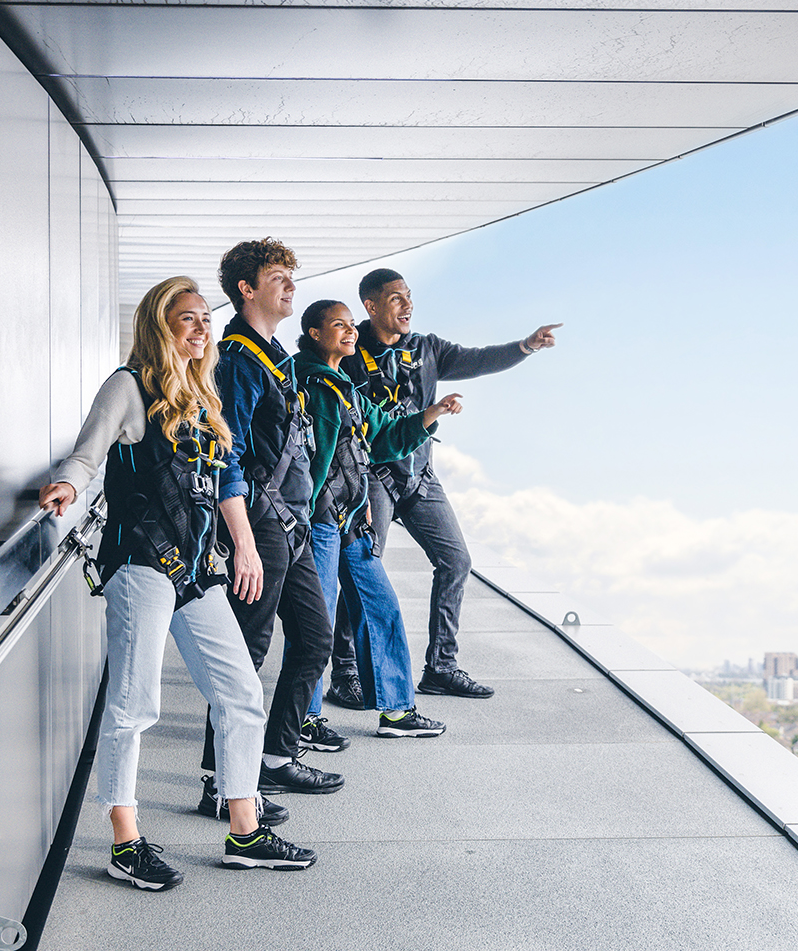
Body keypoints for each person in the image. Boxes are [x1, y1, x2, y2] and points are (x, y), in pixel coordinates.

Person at [39, 276, 314, 892]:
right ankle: (124, 840)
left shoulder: (200, 393)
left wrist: (243, 544)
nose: (200, 328)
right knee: (136, 705)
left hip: (195, 569)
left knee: (241, 692)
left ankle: (244, 830)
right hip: (139, 565)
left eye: (203, 319)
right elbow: (88, 454)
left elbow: (223, 481)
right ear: (159, 326)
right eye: (186, 319)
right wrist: (66, 485)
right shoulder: (128, 385)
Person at [329, 268, 559, 706]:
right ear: (372, 306)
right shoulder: (350, 347)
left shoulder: (428, 348)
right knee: (364, 571)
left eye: (409, 297)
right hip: (372, 476)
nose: (407, 305)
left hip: (420, 476)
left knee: (456, 561)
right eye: (396, 298)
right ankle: (345, 671)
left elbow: (479, 359)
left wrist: (526, 346)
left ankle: (441, 667)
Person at [194, 238, 346, 813]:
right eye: (278, 276)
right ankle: (221, 783)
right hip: (259, 528)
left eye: (291, 276)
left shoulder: (274, 356)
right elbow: (224, 452)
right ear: (246, 289)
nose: (290, 285)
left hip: (293, 524)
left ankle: (276, 757)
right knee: (247, 653)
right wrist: (242, 543)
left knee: (314, 638)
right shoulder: (235, 360)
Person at [295, 299, 461, 736]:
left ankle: (397, 712)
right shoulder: (302, 382)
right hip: (319, 523)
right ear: (314, 334)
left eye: (352, 325)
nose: (351, 331)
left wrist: (433, 413)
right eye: (339, 325)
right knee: (319, 618)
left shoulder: (343, 386)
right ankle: (306, 718)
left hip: (350, 519)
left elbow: (384, 436)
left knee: (382, 605)